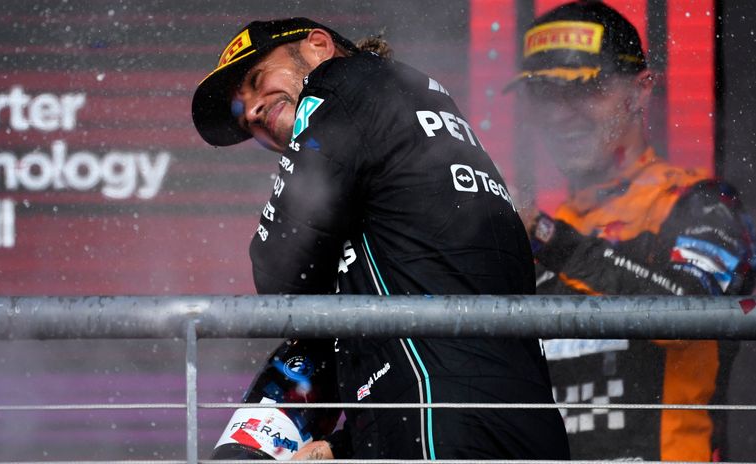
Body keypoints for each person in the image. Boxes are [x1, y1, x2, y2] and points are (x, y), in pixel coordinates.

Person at [192, 17, 570, 460]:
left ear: (318, 47)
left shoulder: (338, 82)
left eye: (258, 81)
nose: (254, 111)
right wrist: (342, 447)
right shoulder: (405, 118)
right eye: (244, 115)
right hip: (521, 423)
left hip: (437, 420)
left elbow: (280, 273)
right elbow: (451, 354)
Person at [507, 1, 756, 461]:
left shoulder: (701, 204)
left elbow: (688, 312)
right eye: (544, 92)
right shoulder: (542, 231)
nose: (560, 114)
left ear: (642, 91)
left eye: (584, 87)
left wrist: (545, 237)